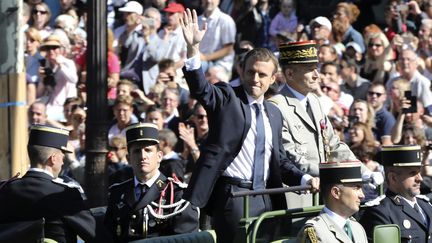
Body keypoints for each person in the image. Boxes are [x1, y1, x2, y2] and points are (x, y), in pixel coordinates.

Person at [179, 9, 319, 243]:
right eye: (251, 72)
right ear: (241, 71)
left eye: (262, 75)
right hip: (233, 195)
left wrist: (305, 180)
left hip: (266, 197)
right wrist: (193, 49)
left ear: (273, 79)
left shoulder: (274, 112)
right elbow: (201, 89)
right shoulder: (227, 97)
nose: (255, 79)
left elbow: (280, 161)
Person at [104, 123, 199, 242]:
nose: (143, 156)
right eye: (137, 151)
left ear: (159, 156)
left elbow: (185, 239)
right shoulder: (118, 192)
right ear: (129, 159)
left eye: (148, 150)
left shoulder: (177, 194)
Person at [0, 125, 96, 242]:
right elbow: (96, 235)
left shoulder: (5, 189)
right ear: (53, 158)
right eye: (62, 156)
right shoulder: (64, 194)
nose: (62, 161)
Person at [360, 145, 432, 242]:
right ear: (393, 178)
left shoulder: (426, 206)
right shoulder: (380, 212)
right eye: (412, 173)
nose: (420, 178)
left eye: (419, 172)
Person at [297, 161, 368, 243]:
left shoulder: (357, 228)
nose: (362, 195)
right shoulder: (316, 231)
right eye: (356, 188)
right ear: (336, 192)